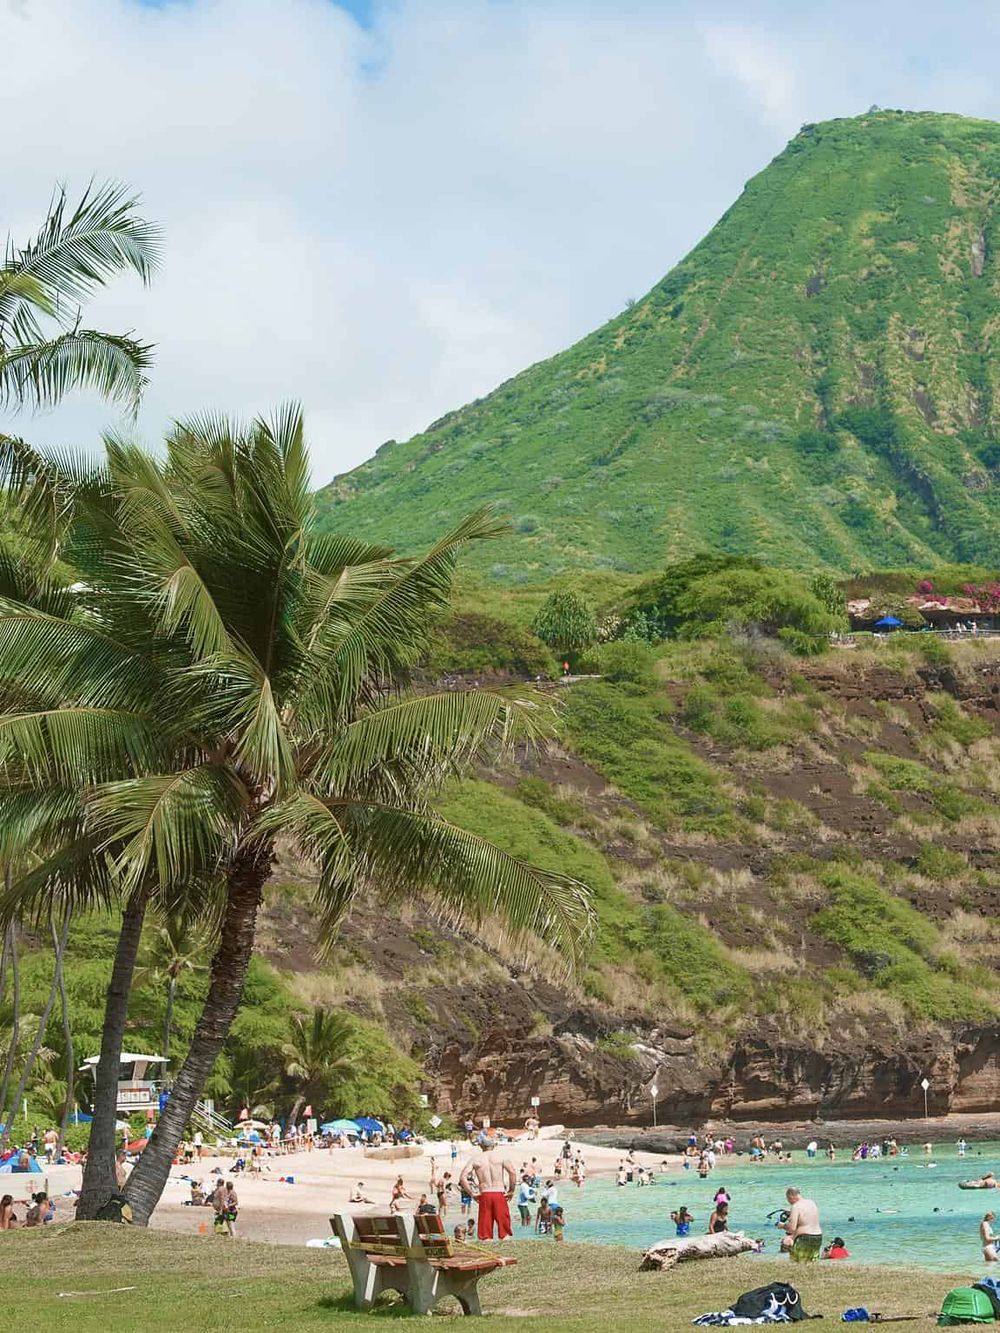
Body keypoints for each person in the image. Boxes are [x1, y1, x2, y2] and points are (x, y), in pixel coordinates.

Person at [459, 1133, 515, 1241]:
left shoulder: (476, 1159)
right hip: (499, 1193)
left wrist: (472, 1194)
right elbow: (512, 1172)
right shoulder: (501, 1157)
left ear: (481, 1146)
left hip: (485, 1193)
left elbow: (462, 1178)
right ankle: (506, 1248)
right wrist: (511, 1190)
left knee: (485, 1233)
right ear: (494, 1145)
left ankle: (488, 1245)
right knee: (504, 1231)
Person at [778, 1187, 822, 1262]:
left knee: (797, 1263)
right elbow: (807, 1219)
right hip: (818, 1236)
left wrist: (782, 1225)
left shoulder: (795, 1206)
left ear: (791, 1196)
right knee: (812, 1263)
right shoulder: (811, 1202)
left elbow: (792, 1228)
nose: (789, 1202)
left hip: (804, 1238)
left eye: (788, 1199)